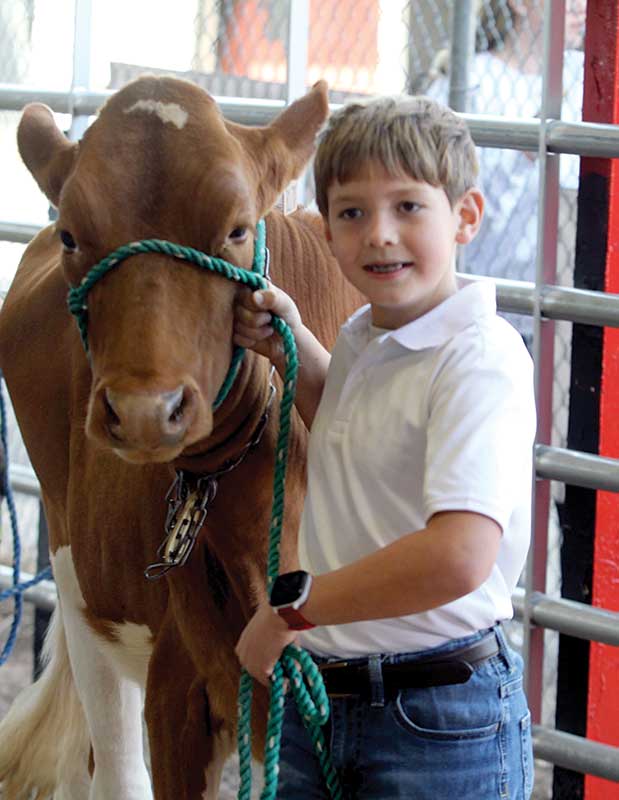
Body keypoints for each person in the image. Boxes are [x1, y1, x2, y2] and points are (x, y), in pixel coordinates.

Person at [234, 95, 536, 798]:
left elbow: (457, 554)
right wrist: (293, 349)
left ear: (464, 217)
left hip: (436, 712)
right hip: (329, 692)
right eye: (351, 212)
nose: (378, 235)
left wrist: (291, 611)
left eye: (406, 207)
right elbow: (353, 433)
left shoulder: (476, 359)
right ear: (327, 229)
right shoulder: (365, 336)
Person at [425, 0, 586, 345]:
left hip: (564, 304)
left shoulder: (584, 76)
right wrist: (522, 153)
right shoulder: (471, 82)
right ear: (521, 4)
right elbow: (440, 193)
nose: (580, 8)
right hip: (483, 302)